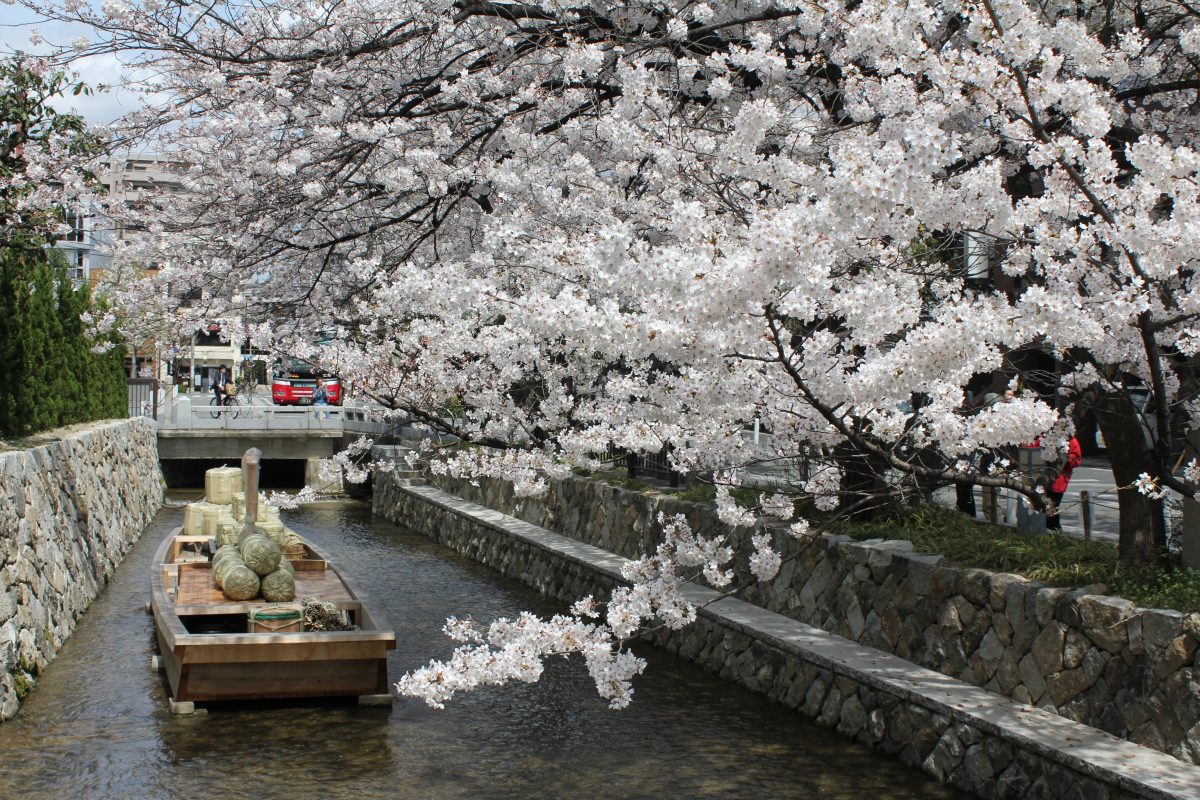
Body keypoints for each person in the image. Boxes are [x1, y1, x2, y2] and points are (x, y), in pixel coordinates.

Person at [1044, 435, 1082, 530]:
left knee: (1053, 506)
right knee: (1045, 506)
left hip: (1059, 478)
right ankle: (1052, 529)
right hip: (1043, 476)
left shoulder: (1071, 440)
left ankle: (1054, 529)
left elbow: (1076, 459)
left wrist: (1065, 457)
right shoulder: (1046, 437)